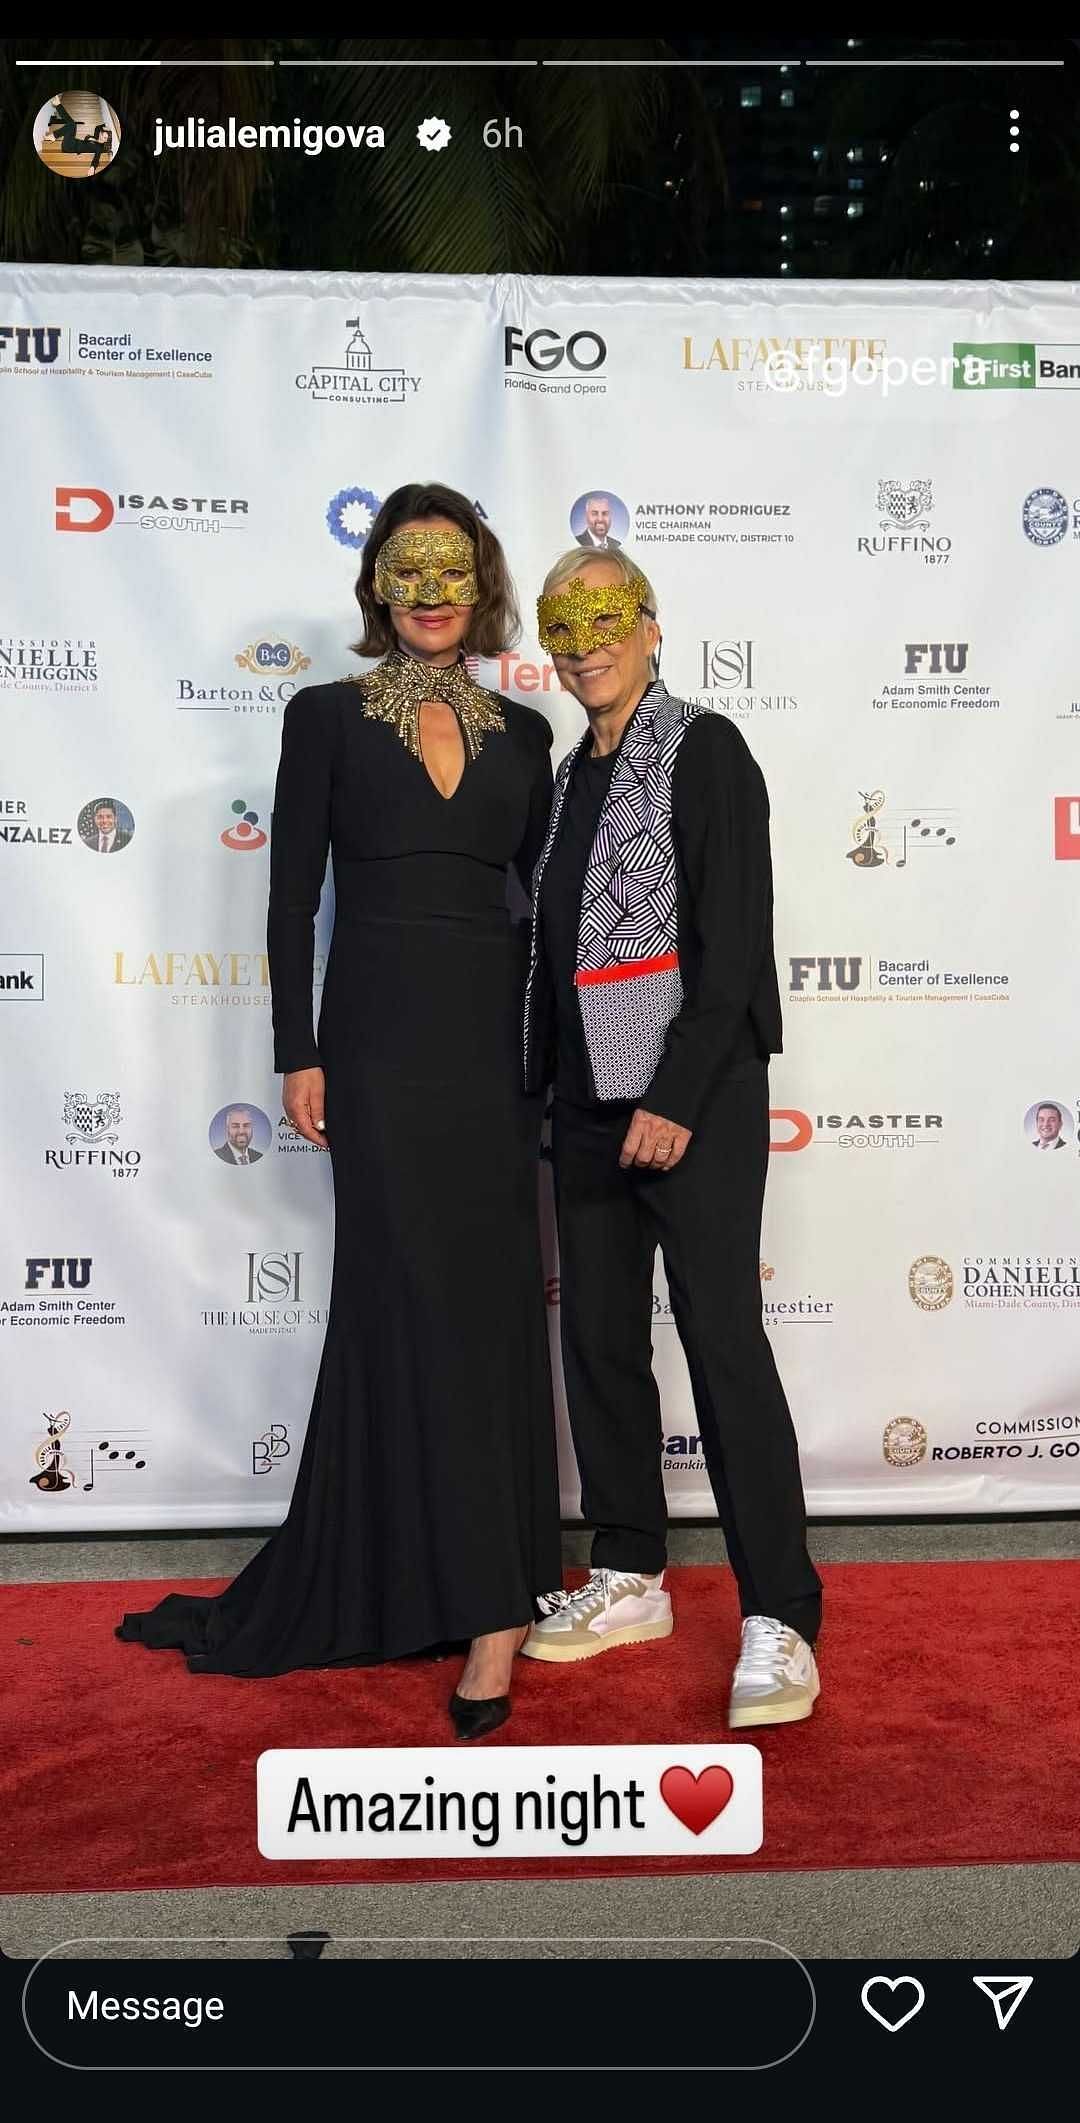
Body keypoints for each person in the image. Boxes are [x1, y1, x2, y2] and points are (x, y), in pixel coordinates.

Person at [117, 484, 562, 1740]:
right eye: (406, 571)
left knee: (486, 1304)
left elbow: (543, 907)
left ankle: (494, 1608)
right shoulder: (320, 717)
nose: (430, 594)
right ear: (376, 585)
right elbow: (288, 896)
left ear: (483, 586)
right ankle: (393, 1566)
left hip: (489, 1047)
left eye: (453, 570)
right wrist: (296, 1052)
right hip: (372, 1040)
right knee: (394, 1296)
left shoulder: (527, 737)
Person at [519, 550, 823, 1727]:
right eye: (562, 621)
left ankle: (783, 1614)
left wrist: (675, 1097)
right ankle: (632, 1569)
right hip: (586, 1105)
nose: (583, 640)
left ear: (651, 627)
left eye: (605, 617)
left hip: (692, 1097)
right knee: (596, 1341)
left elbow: (735, 941)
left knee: (723, 1346)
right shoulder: (560, 782)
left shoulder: (706, 748)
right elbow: (551, 952)